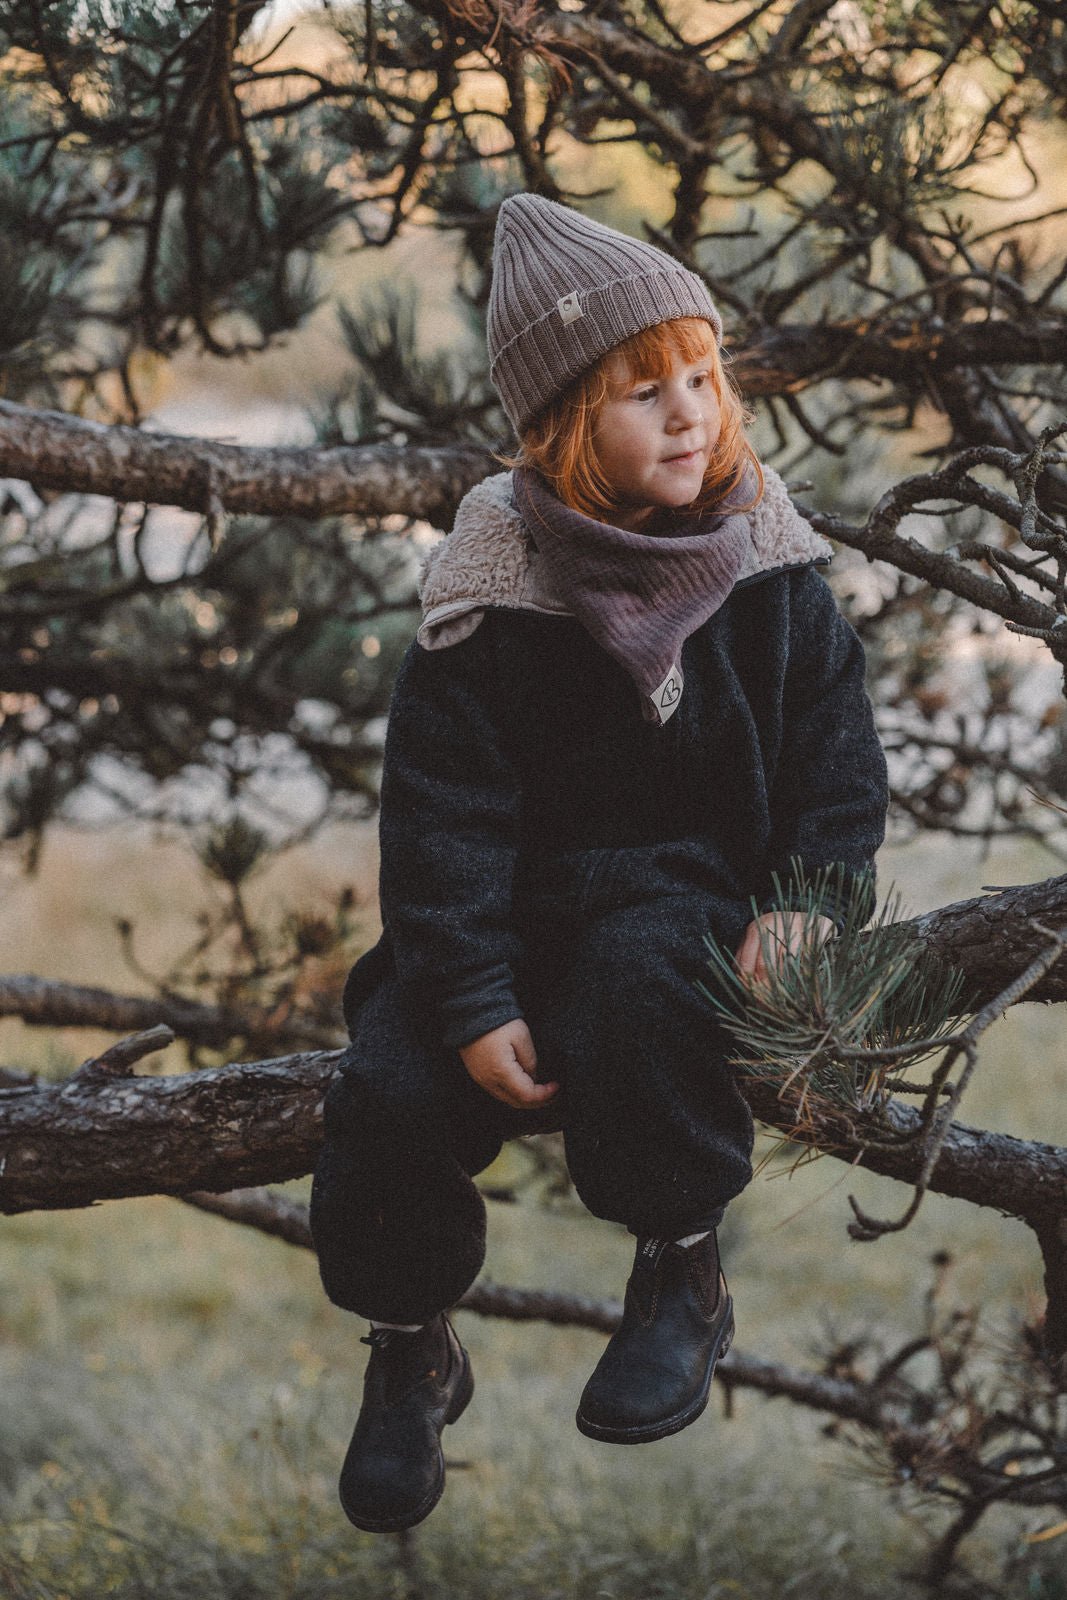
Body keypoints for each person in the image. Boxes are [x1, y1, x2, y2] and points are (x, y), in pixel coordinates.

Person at [309, 193, 889, 1533]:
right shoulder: (492, 587)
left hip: (672, 904)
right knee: (386, 1086)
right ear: (561, 426)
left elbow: (836, 774)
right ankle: (409, 1344)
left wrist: (808, 905)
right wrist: (464, 997)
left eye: (701, 376)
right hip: (503, 922)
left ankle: (679, 1266)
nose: (690, 413)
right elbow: (439, 814)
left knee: (648, 991)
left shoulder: (771, 567)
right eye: (643, 393)